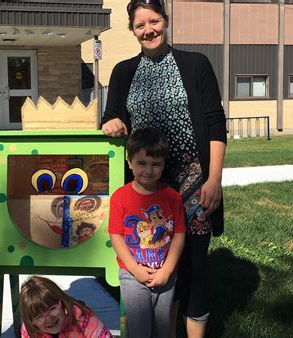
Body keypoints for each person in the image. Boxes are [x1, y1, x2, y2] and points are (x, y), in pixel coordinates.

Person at [101, 1, 227, 336]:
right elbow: (111, 114)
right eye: (140, 25)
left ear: (166, 21)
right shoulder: (123, 72)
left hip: (194, 179)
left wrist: (214, 179)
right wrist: (111, 121)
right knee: (156, 264)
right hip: (147, 184)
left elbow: (215, 123)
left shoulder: (195, 64)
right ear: (132, 29)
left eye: (154, 21)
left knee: (195, 267)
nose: (148, 30)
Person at [108, 127, 186, 338]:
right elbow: (115, 235)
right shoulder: (120, 197)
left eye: (155, 164)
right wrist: (134, 269)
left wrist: (167, 270)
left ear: (163, 164)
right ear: (129, 162)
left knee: (162, 329)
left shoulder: (172, 197)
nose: (148, 170)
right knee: (139, 329)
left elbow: (179, 235)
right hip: (132, 275)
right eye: (142, 163)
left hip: (165, 275)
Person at [19, 276, 112, 338]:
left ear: (62, 302)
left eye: (52, 308)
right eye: (39, 317)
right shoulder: (30, 332)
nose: (48, 318)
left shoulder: (84, 320)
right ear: (31, 322)